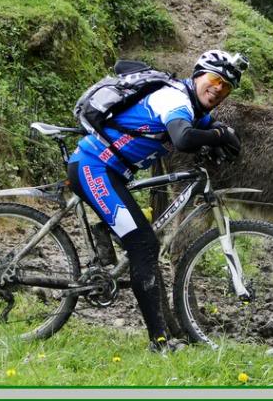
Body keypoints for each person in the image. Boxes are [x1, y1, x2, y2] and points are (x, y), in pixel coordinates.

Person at [67, 49, 247, 353]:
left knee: (140, 239)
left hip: (110, 172)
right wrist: (217, 137)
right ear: (198, 74)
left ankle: (104, 243)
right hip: (93, 167)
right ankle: (159, 343)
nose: (218, 89)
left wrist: (223, 137)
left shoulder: (193, 109)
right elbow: (183, 138)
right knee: (144, 244)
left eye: (226, 87)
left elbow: (216, 134)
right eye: (215, 80)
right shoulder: (174, 98)